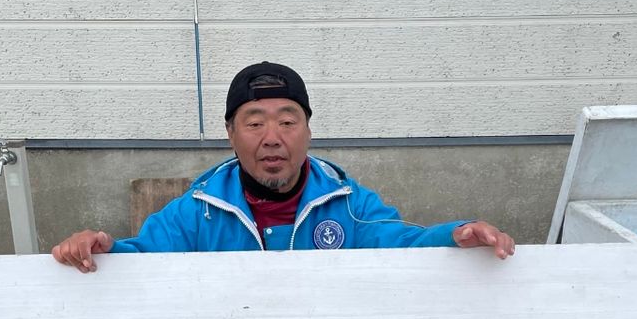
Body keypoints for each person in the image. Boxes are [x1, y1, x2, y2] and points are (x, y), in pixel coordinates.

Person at [52, 62, 515, 272]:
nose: (272, 137)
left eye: (287, 121)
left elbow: (404, 244)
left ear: (308, 131)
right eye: (254, 122)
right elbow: (144, 260)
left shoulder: (349, 206)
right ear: (231, 134)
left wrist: (456, 234)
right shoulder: (196, 212)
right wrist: (100, 247)